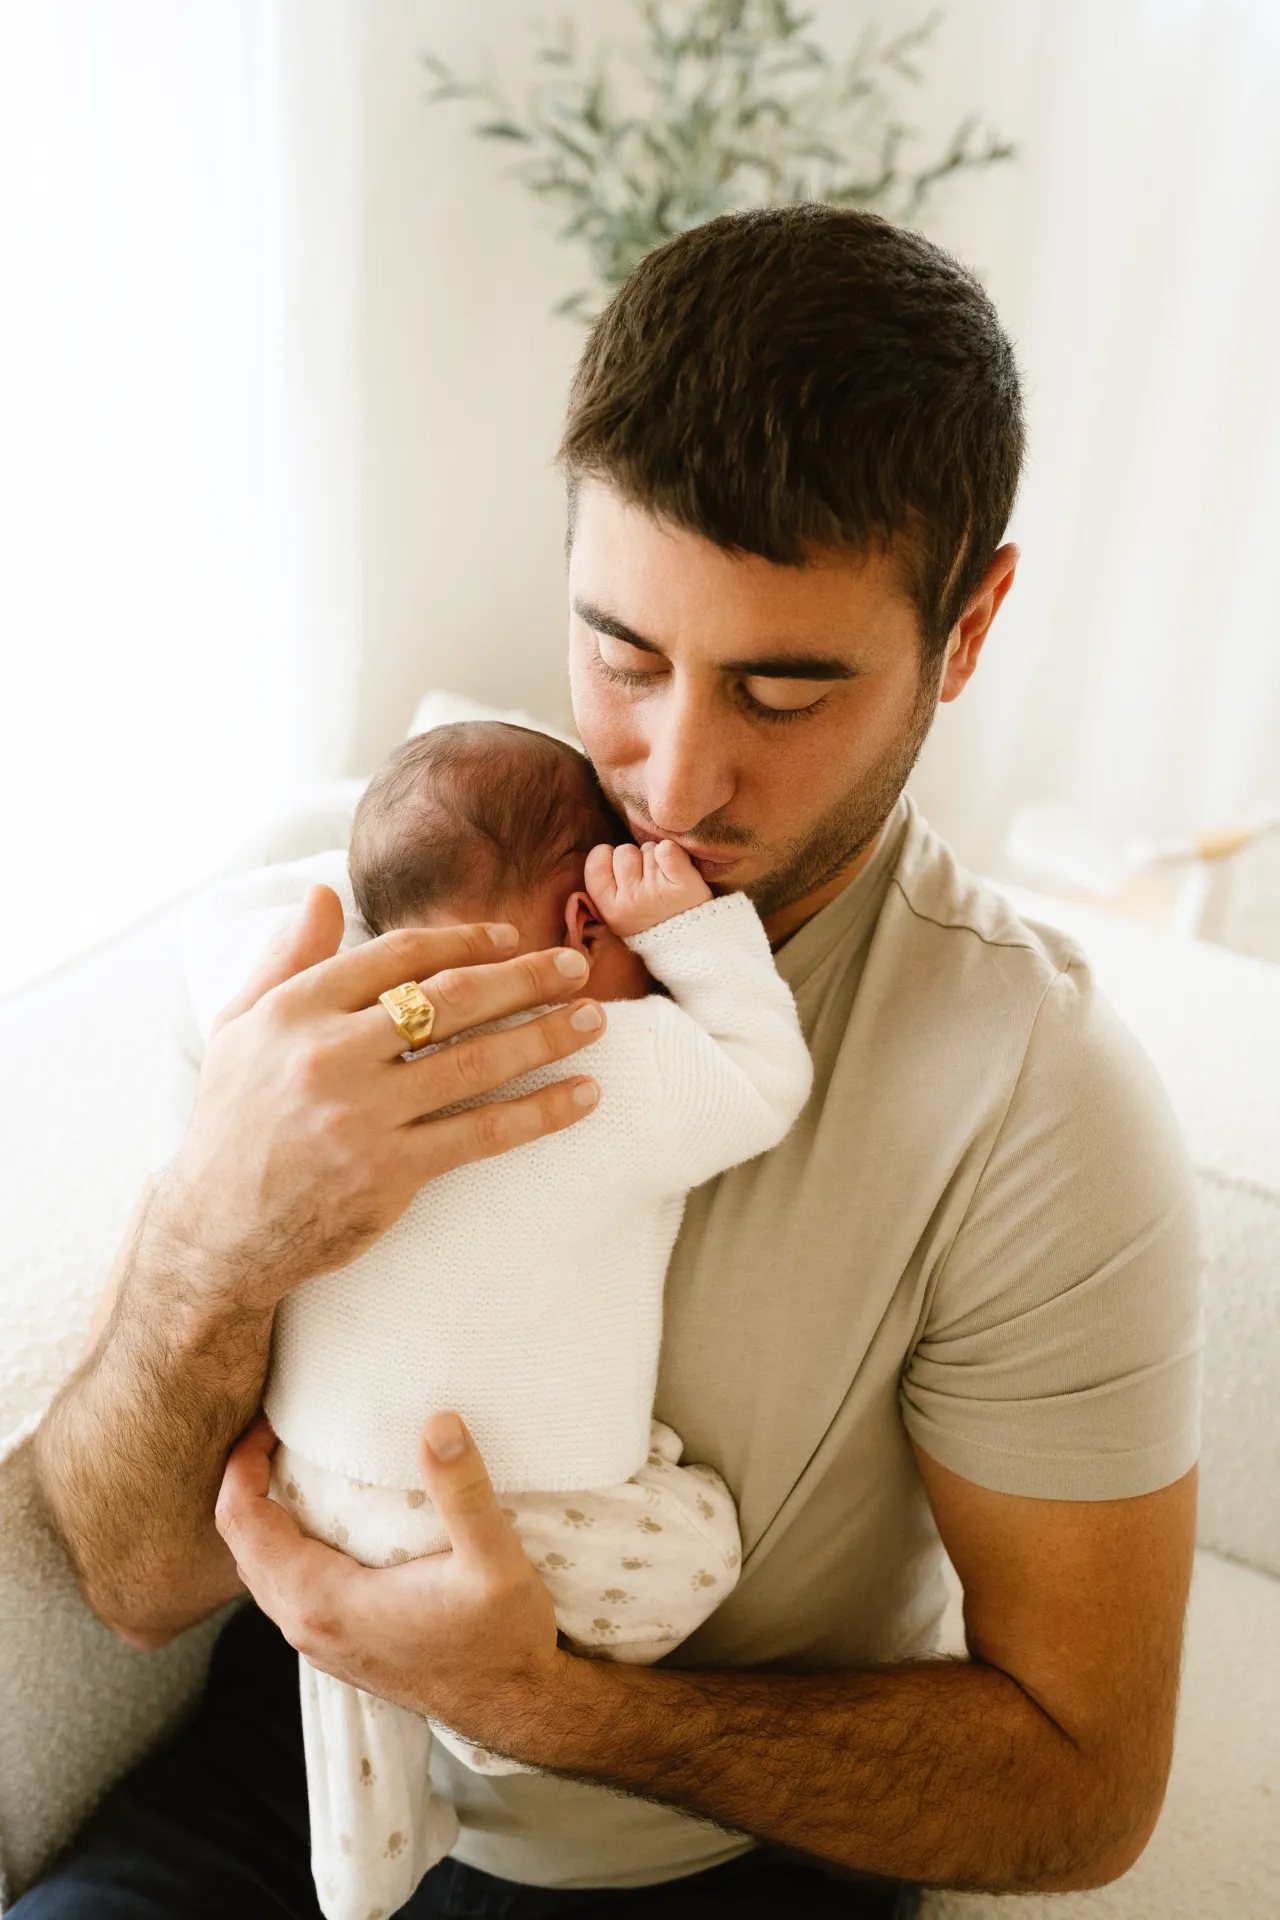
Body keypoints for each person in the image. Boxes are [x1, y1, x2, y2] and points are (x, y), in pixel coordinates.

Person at [23, 206, 1200, 1919]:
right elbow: (131, 1581)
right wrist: (222, 1233)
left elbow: (1084, 1792)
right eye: (623, 655)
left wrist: (540, 1703)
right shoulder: (402, 894)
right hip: (272, 1796)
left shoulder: (1038, 1109)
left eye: (786, 693)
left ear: (968, 626)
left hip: (686, 1854)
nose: (673, 777)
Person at [200, 718, 809, 1920]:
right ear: (584, 921)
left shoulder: (315, 1061)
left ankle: (358, 1876)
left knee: (346, 1692)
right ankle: (490, 1737)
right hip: (517, 1518)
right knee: (699, 1545)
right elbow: (764, 1078)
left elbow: (233, 950)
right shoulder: (608, 1049)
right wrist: (682, 928)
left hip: (317, 1487)